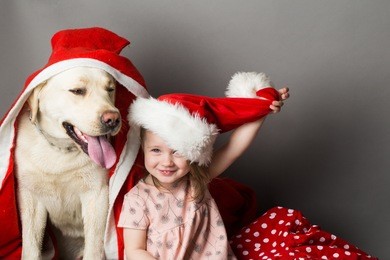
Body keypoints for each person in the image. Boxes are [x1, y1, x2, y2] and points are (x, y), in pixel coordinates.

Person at [118, 72, 288, 259]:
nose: (167, 161)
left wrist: (263, 109)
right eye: (156, 151)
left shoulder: (196, 179)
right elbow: (134, 250)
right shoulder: (137, 199)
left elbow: (233, 147)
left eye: (178, 151)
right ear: (143, 148)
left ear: (193, 152)